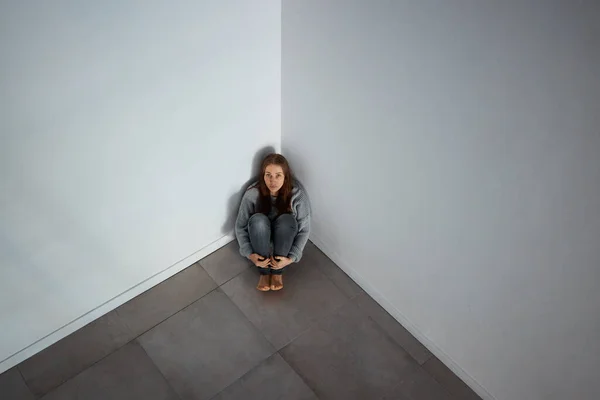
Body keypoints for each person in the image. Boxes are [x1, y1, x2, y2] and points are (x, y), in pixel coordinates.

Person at [235, 153, 311, 291]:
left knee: (287, 219)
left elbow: (305, 229)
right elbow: (240, 226)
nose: (272, 180)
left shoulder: (297, 195)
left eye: (278, 175)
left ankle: (277, 272)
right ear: (263, 175)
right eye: (268, 175)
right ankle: (264, 272)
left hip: (284, 240)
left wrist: (292, 257)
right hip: (259, 239)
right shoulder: (253, 193)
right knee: (257, 220)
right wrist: (249, 254)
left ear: (285, 176)